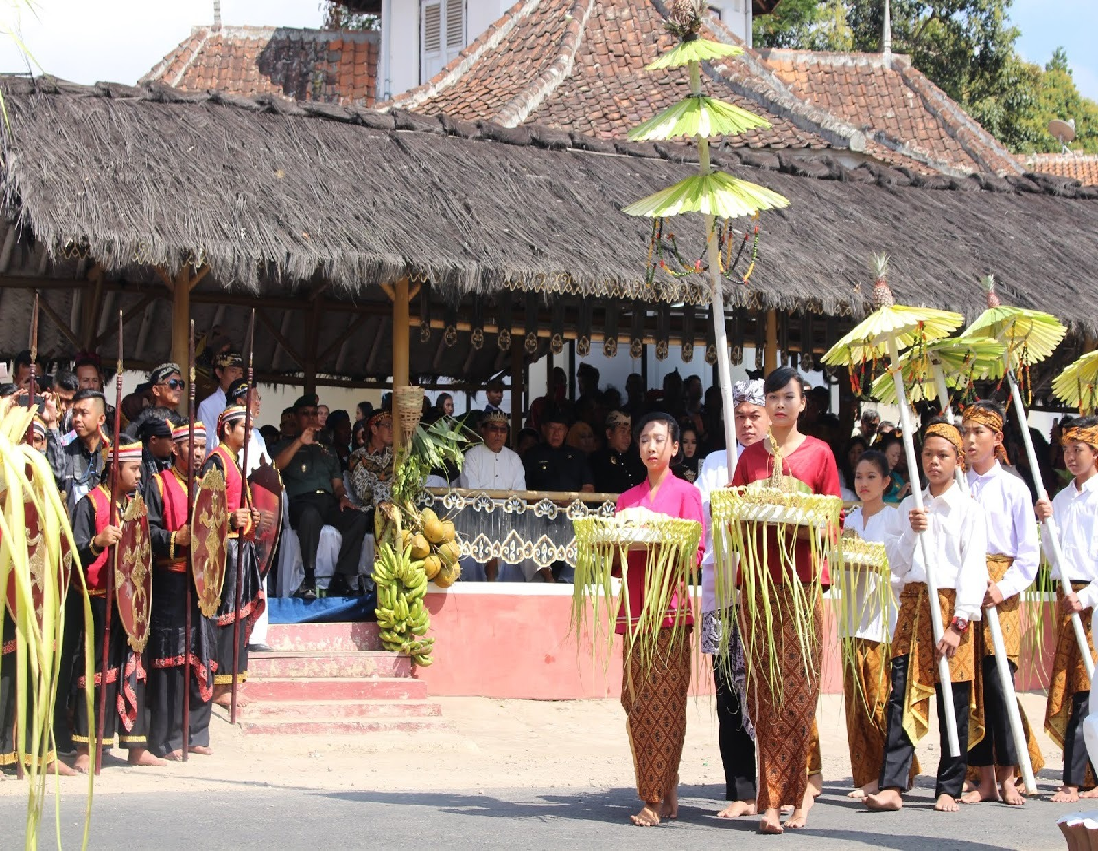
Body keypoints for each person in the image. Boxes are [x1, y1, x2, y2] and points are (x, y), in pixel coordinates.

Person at [731, 367, 840, 833]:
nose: (778, 405)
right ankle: (770, 798)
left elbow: (833, 520)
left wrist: (806, 522)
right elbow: (732, 516)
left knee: (799, 693)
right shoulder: (750, 458)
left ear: (802, 402)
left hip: (801, 586)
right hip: (759, 586)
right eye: (771, 397)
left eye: (786, 398)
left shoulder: (819, 454)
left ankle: (795, 796)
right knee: (763, 695)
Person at [867, 419, 988, 814]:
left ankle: (949, 785)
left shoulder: (970, 510)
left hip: (953, 609)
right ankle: (893, 784)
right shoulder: (910, 505)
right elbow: (897, 566)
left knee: (953, 698)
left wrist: (959, 624)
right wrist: (912, 532)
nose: (934, 462)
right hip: (915, 605)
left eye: (943, 455)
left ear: (957, 461)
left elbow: (973, 569)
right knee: (900, 696)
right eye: (928, 455)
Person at [614, 412, 705, 826]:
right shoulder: (626, 501)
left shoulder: (687, 494)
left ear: (673, 448)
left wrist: (664, 543)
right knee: (636, 702)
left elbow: (697, 555)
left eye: (659, 440)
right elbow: (616, 562)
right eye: (645, 440)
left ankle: (652, 798)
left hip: (671, 611)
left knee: (666, 704)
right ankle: (664, 783)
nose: (651, 447)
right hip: (634, 611)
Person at [960, 400, 1043, 806]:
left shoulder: (1013, 487)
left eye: (978, 431)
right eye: (965, 430)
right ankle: (984, 777)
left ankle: (1010, 774)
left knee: (998, 682)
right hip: (964, 589)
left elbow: (1029, 556)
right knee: (970, 683)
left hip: (1001, 594)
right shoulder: (957, 485)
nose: (970, 439)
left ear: (997, 438)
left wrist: (1002, 587)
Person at [696, 377, 769, 820]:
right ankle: (741, 786)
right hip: (722, 583)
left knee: (767, 683)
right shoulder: (715, 461)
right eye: (739, 416)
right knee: (727, 686)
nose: (745, 423)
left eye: (753, 415)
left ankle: (778, 783)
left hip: (765, 587)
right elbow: (704, 507)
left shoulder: (778, 462)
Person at [70, 440, 164, 771]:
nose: (140, 474)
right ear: (115, 469)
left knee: (134, 672)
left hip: (132, 602)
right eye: (133, 468)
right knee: (96, 673)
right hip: (98, 600)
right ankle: (87, 747)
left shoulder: (135, 506)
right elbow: (71, 555)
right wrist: (97, 543)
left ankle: (137, 746)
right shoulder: (90, 505)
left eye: (140, 468)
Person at [145, 422, 216, 759]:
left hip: (204, 580)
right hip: (171, 580)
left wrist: (232, 521)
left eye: (203, 447)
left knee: (201, 651)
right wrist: (177, 540)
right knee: (172, 657)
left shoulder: (206, 487)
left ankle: (197, 731)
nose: (199, 453)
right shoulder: (158, 484)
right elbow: (146, 533)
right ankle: (169, 736)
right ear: (176, 449)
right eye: (192, 447)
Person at [1037, 416, 1098, 803]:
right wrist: (1045, 523)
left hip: (1091, 598)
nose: (1071, 457)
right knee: (1073, 686)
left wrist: (1089, 596)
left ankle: (1075, 779)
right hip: (1067, 596)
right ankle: (1080, 775)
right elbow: (1051, 554)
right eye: (1066, 450)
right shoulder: (1061, 499)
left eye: (1078, 449)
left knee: (1089, 688)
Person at [840, 450, 901, 799]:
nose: (863, 484)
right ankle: (865, 775)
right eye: (859, 477)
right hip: (852, 618)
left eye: (871, 477)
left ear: (886, 482)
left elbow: (900, 565)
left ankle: (889, 771)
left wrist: (874, 560)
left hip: (880, 619)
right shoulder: (849, 522)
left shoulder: (894, 519)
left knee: (879, 698)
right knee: (856, 702)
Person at [274, 395, 368, 599]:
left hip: (328, 502)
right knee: (309, 515)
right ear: (296, 418)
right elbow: (276, 466)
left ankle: (341, 577)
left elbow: (336, 483)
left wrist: (343, 497)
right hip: (302, 503)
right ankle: (309, 579)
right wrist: (300, 441)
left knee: (358, 518)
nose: (310, 418)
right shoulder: (286, 444)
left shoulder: (328, 449)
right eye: (305, 414)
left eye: (313, 413)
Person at [202, 406, 264, 708]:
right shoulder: (216, 462)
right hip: (224, 551)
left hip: (241, 549)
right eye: (245, 427)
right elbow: (203, 514)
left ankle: (234, 681)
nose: (250, 433)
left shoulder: (234, 462)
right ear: (227, 429)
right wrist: (230, 520)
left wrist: (249, 514)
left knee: (238, 617)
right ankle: (221, 685)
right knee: (226, 617)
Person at [523, 406, 593, 582]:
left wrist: (569, 502)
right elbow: (524, 491)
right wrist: (549, 502)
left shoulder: (577, 456)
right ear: (544, 429)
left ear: (566, 431)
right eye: (552, 428)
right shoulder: (532, 455)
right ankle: (548, 578)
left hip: (571, 519)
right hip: (540, 519)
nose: (556, 433)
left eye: (560, 429)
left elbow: (589, 489)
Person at [458, 411, 527, 581]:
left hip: (508, 521)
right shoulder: (472, 456)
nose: (498, 434)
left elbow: (520, 495)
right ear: (483, 430)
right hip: (477, 520)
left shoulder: (514, 458)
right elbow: (471, 493)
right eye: (493, 429)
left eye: (503, 430)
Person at [45, 388, 109, 516]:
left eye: (84, 413)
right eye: (74, 413)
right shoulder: (66, 449)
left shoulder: (110, 452)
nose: (77, 419)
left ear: (101, 419)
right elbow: (55, 474)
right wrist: (52, 423)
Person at [349, 407, 395, 512]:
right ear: (374, 429)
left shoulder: (396, 456)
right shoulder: (358, 457)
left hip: (397, 510)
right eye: (388, 425)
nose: (392, 430)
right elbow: (363, 492)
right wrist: (383, 505)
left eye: (393, 426)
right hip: (372, 512)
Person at [589, 411, 645, 494]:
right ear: (609, 434)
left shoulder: (636, 459)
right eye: (622, 431)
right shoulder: (596, 460)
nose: (627, 436)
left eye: (629, 432)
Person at [126, 363, 185, 439]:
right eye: (173, 384)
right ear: (156, 390)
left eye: (181, 384)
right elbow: (126, 441)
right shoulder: (144, 418)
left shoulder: (180, 420)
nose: (179, 388)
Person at [196, 350, 242, 443]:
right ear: (219, 373)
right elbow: (207, 443)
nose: (238, 377)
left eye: (240, 372)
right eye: (233, 371)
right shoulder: (207, 406)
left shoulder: (244, 402)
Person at [880, 436, 909, 504]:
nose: (896, 459)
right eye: (893, 455)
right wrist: (898, 496)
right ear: (882, 453)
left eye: (898, 456)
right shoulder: (874, 477)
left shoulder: (897, 478)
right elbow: (874, 503)